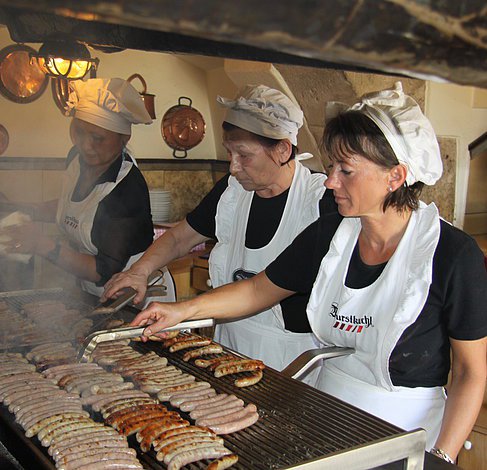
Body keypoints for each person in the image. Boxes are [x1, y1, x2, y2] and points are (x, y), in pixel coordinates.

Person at [127, 82, 487, 461]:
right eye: (332, 167)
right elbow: (256, 291)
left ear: (395, 177)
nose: (331, 182)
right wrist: (180, 312)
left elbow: (470, 373)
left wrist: (442, 457)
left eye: (346, 171)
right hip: (325, 417)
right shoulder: (333, 233)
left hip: (407, 434)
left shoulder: (451, 254)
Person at [102, 84, 337, 383]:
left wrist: (183, 310)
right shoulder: (233, 190)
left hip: (290, 362)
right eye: (230, 153)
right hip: (227, 349)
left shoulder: (321, 201)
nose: (233, 167)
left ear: (282, 149)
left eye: (244, 155)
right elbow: (180, 237)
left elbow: (258, 290)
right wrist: (140, 270)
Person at [0, 77, 173, 299]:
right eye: (78, 132)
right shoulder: (76, 158)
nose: (85, 145)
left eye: (97, 138)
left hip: (133, 299)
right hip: (93, 293)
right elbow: (75, 208)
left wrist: (43, 245)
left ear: (124, 138)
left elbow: (102, 270)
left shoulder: (127, 190)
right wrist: (21, 208)